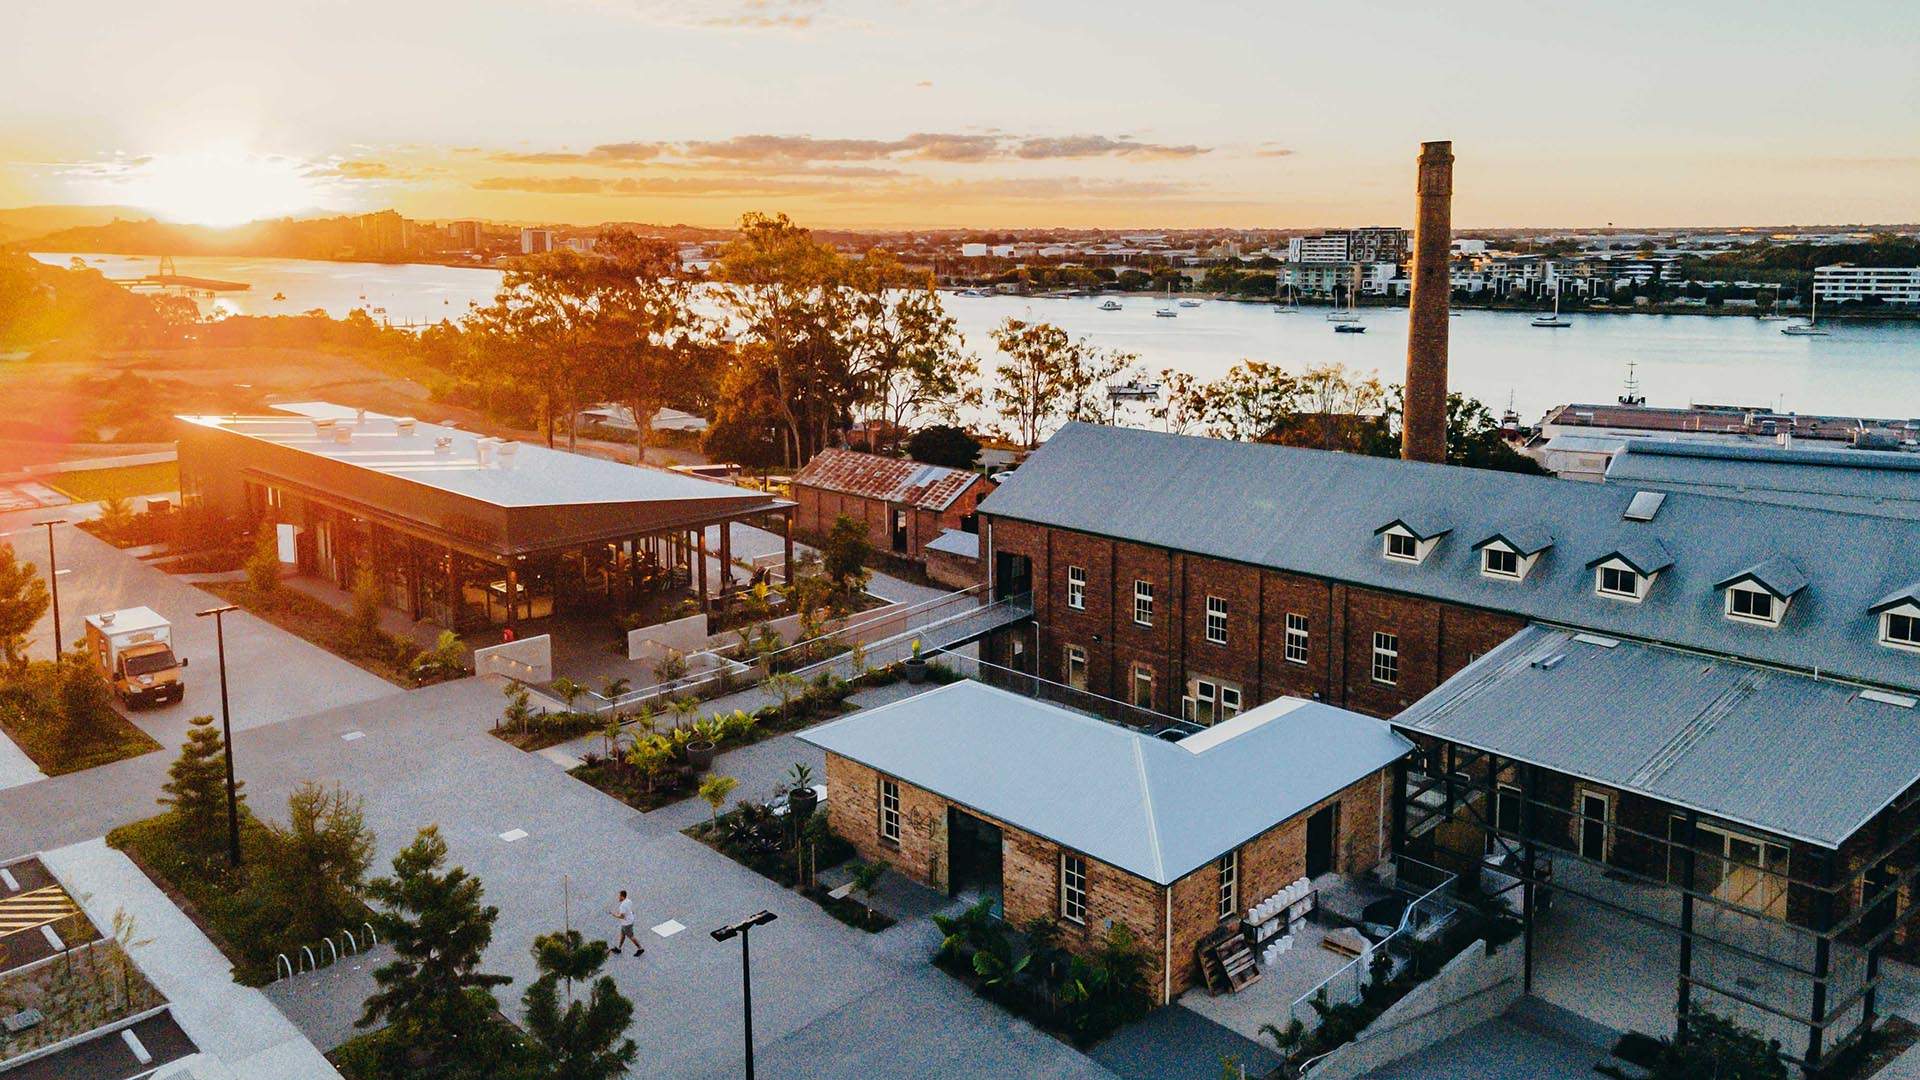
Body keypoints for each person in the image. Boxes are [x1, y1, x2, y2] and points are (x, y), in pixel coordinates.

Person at [611, 889, 643, 957]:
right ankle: (619, 948)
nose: (618, 898)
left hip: (626, 923)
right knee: (622, 935)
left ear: (622, 897)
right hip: (629, 921)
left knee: (631, 936)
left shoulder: (622, 905)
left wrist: (614, 915)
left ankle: (640, 948)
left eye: (619, 896)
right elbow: (629, 910)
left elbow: (622, 916)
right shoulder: (629, 901)